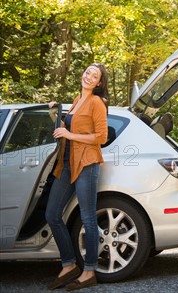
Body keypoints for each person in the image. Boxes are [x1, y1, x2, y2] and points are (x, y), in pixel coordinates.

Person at [46, 63, 108, 291]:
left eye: (95, 75)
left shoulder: (97, 103)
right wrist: (56, 114)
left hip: (87, 163)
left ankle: (89, 271)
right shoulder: (77, 99)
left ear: (99, 83)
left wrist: (69, 133)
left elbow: (100, 137)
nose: (89, 76)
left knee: (88, 218)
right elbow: (66, 126)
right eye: (88, 72)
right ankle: (69, 264)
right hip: (68, 164)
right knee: (52, 214)